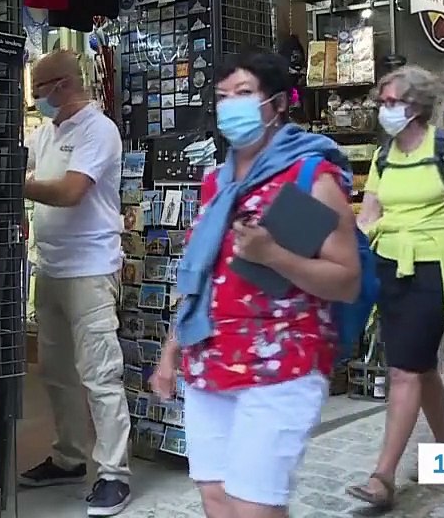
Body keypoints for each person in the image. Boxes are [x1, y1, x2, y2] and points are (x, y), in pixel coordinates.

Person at [153, 51, 361, 518]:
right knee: (216, 498)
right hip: (209, 358)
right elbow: (199, 274)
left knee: (255, 507)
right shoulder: (216, 183)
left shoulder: (311, 177)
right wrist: (170, 353)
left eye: (244, 94)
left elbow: (346, 281)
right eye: (223, 96)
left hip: (280, 366)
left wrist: (274, 255)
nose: (231, 106)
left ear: (277, 103)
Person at [348, 65, 444, 510]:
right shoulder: (384, 155)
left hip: (434, 266)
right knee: (420, 364)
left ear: (417, 105)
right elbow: (369, 216)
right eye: (382, 102)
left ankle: (383, 476)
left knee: (403, 370)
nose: (384, 110)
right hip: (389, 266)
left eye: (392, 102)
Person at [18, 50, 131, 517]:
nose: (36, 98)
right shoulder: (46, 133)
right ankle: (67, 457)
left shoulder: (98, 131)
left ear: (63, 84)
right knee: (57, 372)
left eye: (39, 88)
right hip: (52, 268)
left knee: (100, 374)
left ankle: (114, 474)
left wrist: (15, 184)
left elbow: (70, 191)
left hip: (91, 269)